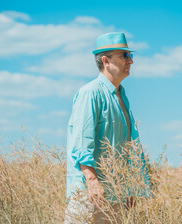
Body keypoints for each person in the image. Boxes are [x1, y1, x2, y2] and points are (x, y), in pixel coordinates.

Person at [65, 32, 151, 223]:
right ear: (106, 60)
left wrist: (130, 187)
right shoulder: (90, 93)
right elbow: (81, 142)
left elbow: (128, 146)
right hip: (89, 192)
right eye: (124, 56)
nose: (131, 61)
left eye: (130, 55)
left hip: (116, 192)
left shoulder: (122, 96)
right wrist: (93, 181)